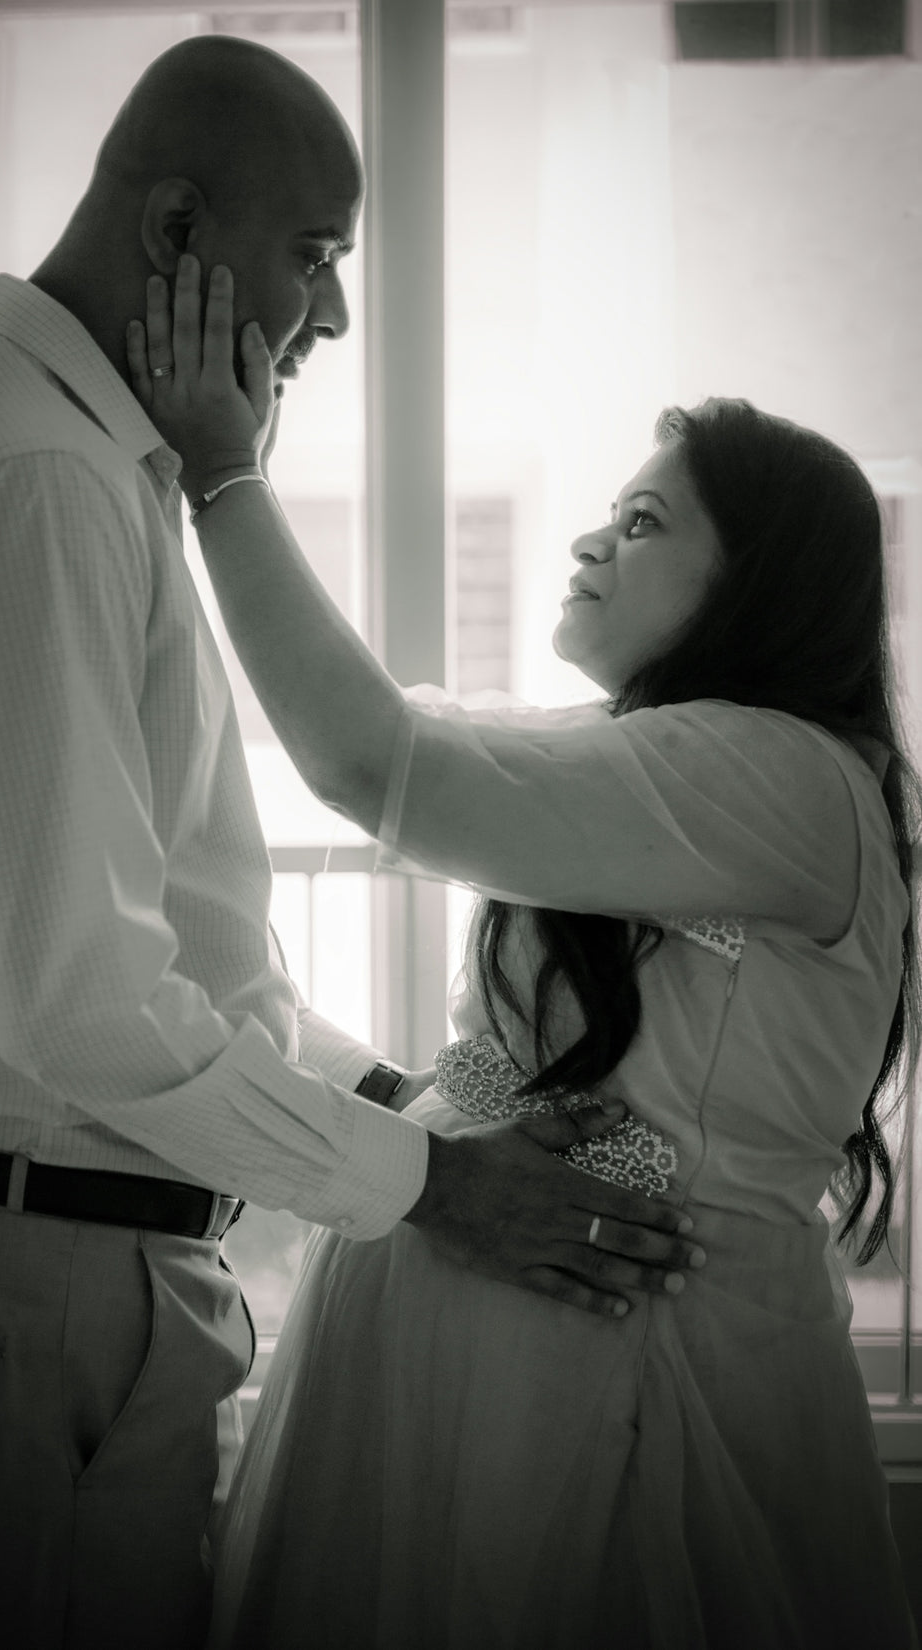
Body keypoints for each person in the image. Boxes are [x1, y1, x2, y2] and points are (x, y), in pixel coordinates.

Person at [0, 36, 701, 1650]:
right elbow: (86, 1000)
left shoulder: (80, 464)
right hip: (43, 1272)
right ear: (173, 234)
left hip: (75, 1263)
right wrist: (435, 1181)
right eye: (315, 260)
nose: (337, 320)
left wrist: (411, 1108)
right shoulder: (37, 484)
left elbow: (198, 959)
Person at [124, 260, 921, 1649]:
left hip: (639, 1383)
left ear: (759, 582)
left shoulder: (784, 776)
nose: (587, 544)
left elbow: (374, 761)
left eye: (643, 521)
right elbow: (390, 727)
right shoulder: (639, 754)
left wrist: (224, 476)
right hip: (467, 1374)